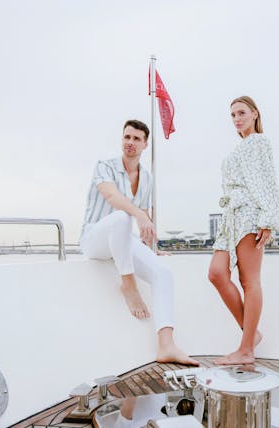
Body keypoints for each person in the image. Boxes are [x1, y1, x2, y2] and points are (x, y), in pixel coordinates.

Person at [80, 119, 198, 366]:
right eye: (126, 137)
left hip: (123, 239)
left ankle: (166, 345)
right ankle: (128, 285)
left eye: (135, 139)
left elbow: (144, 219)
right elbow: (112, 197)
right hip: (95, 239)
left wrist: (151, 248)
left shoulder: (146, 177)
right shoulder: (105, 166)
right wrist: (140, 214)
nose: (129, 143)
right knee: (122, 216)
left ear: (145, 144)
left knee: (163, 273)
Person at [208, 96, 279, 365]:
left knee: (249, 281)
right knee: (217, 273)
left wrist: (268, 219)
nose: (237, 119)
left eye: (241, 113)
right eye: (232, 115)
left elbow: (265, 181)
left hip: (250, 214)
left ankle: (246, 349)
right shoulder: (242, 147)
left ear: (255, 114)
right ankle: (252, 336)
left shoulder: (258, 142)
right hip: (232, 217)